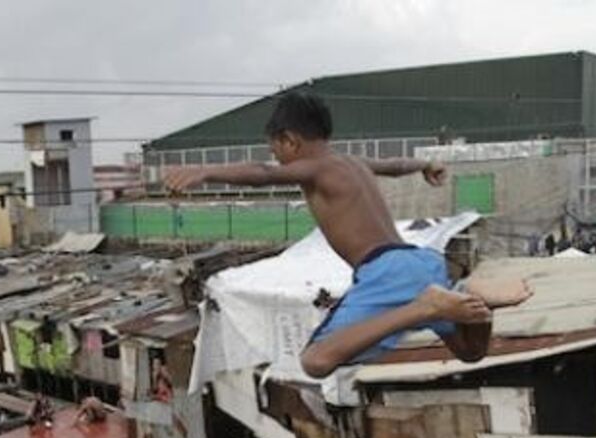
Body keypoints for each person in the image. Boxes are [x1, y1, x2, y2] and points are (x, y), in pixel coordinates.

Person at [164, 91, 532, 378]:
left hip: (385, 270)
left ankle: (426, 307)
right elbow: (394, 165)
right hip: (420, 261)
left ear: (290, 141)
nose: (276, 158)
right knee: (470, 351)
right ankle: (476, 304)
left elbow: (262, 173)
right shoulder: (352, 163)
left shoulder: (314, 169)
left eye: (276, 149)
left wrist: (207, 172)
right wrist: (426, 164)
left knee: (316, 361)